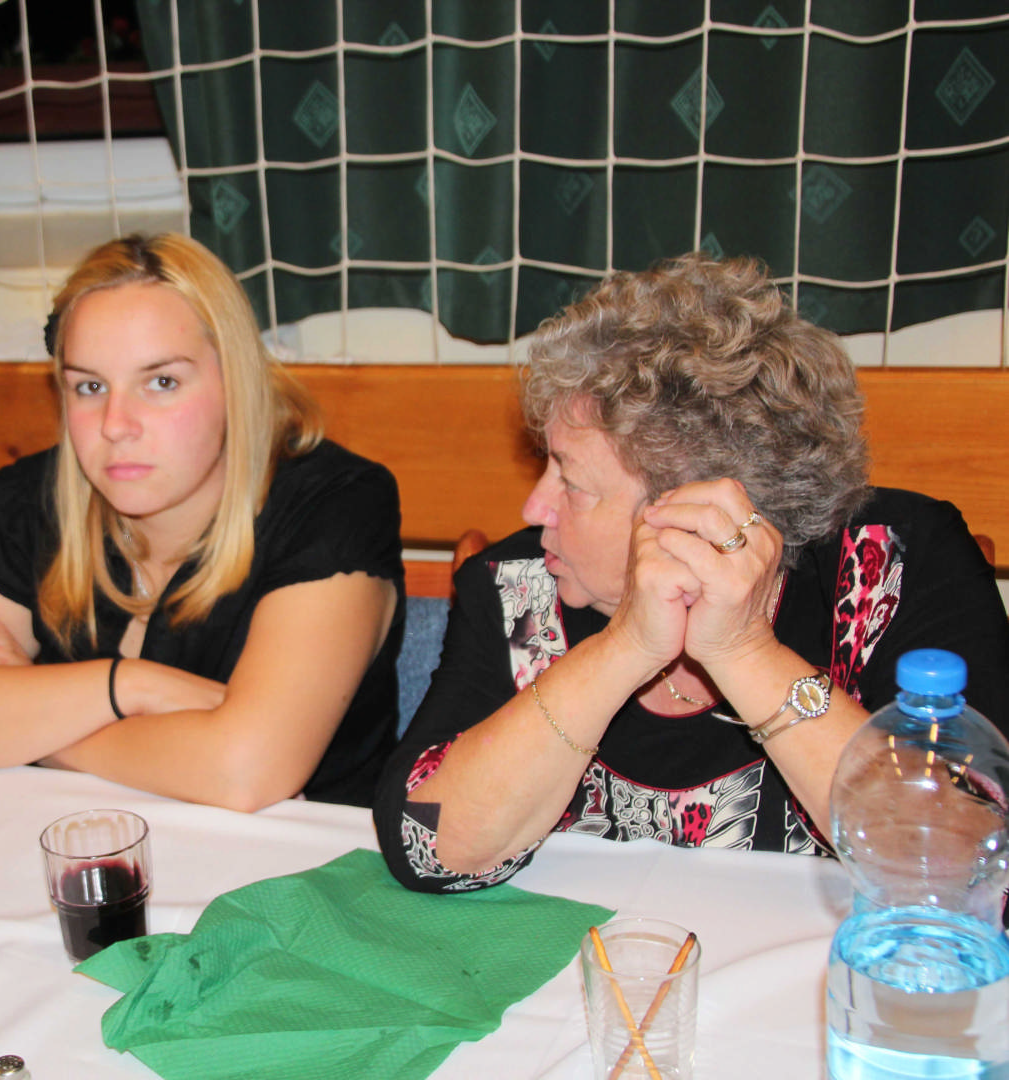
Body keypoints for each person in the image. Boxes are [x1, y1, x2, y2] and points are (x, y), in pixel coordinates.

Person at [375, 252, 1009, 891]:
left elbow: (970, 866)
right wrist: (626, 646)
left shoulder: (889, 566)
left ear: (696, 514)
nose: (534, 508)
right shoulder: (518, 588)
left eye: (572, 482)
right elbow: (427, 849)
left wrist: (743, 651)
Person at [0, 234, 402, 810]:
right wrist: (130, 686)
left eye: (161, 382)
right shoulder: (38, 501)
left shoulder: (334, 504)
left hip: (303, 861)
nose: (115, 424)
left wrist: (30, 726)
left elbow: (244, 772)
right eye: (90, 386)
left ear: (237, 383)